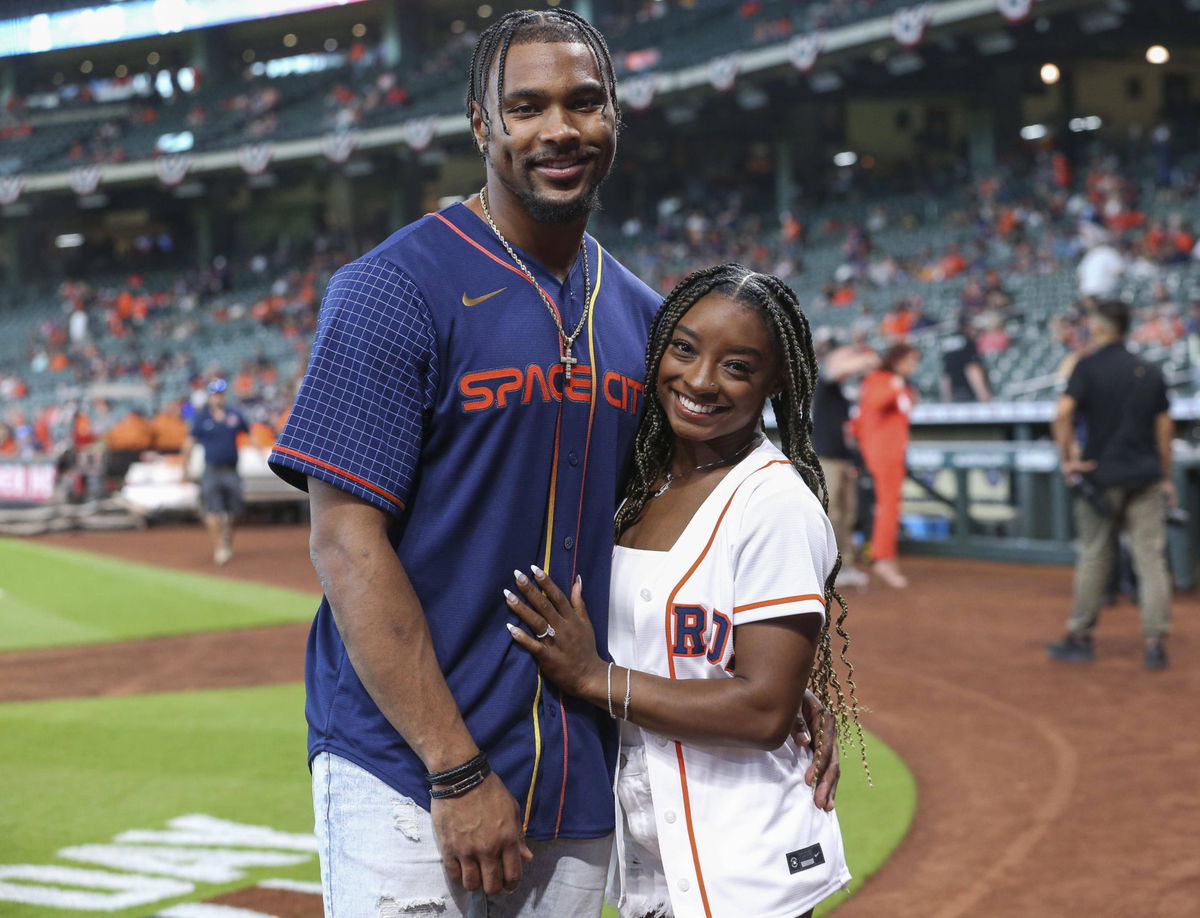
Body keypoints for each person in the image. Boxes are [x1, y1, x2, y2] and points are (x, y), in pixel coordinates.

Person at [266, 10, 844, 917]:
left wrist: (777, 686)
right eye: (526, 106)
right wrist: (455, 771)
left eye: (584, 102)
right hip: (408, 769)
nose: (559, 129)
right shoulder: (390, 289)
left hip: (580, 776)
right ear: (480, 122)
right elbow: (345, 545)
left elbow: (684, 527)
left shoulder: (648, 320)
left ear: (615, 116)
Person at [504, 265, 863, 918]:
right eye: (685, 349)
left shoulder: (773, 503)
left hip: (749, 868)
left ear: (775, 380)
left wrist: (594, 679)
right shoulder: (635, 487)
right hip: (653, 859)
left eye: (738, 365)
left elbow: (761, 712)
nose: (700, 381)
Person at [1047, 299, 1173, 671]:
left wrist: (1068, 457)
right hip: (1146, 476)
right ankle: (1155, 644)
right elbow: (1164, 428)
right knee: (1150, 558)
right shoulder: (1149, 369)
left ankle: (1080, 637)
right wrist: (1165, 476)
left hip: (1101, 477)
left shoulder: (1087, 367)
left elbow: (1062, 414)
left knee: (1094, 554)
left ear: (1100, 328)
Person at [813, 333, 878, 588]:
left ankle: (845, 566)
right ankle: (824, 570)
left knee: (848, 514)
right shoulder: (825, 383)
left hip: (842, 458)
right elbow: (836, 369)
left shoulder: (840, 393)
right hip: (826, 458)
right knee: (829, 514)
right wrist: (863, 357)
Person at [854, 343, 919, 589]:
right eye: (910, 360)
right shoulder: (881, 379)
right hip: (882, 451)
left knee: (890, 506)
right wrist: (896, 386)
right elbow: (874, 405)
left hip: (893, 450)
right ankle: (882, 559)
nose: (913, 366)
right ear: (898, 359)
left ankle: (885, 557)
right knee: (887, 506)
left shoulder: (895, 382)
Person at [182, 378, 249, 565]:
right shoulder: (202, 418)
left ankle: (227, 538)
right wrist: (184, 467)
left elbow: (250, 434)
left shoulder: (234, 415)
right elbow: (190, 442)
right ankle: (220, 546)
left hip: (231, 469)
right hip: (212, 469)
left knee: (236, 511)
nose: (217, 398)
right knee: (213, 510)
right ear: (210, 397)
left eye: (220, 394)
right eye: (214, 394)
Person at [940, 318, 991, 403]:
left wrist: (947, 401)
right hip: (970, 393)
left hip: (955, 392)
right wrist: (984, 397)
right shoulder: (968, 343)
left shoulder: (949, 343)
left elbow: (945, 375)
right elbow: (972, 369)